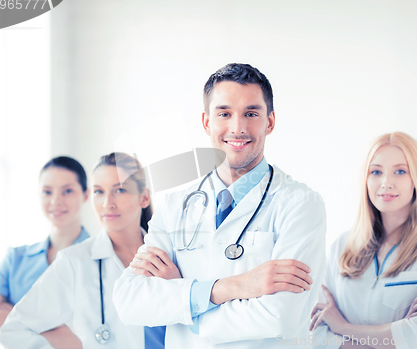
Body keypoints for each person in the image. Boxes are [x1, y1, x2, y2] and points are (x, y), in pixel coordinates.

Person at [113, 63, 327, 348]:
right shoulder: (175, 206)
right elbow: (130, 301)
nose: (237, 128)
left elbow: (281, 316)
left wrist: (186, 305)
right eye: (224, 113)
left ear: (270, 122)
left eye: (251, 114)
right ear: (206, 122)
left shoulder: (300, 205)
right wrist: (233, 287)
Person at [309, 132, 417, 349]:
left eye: (400, 171)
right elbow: (313, 331)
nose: (386, 182)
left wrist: (343, 327)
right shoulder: (342, 246)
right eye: (376, 172)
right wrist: (397, 334)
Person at [0, 153, 166, 349]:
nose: (107, 204)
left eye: (120, 190)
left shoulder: (168, 254)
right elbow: (13, 330)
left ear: (144, 197)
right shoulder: (74, 262)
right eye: (98, 192)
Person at [0, 156, 90, 347]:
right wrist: (58, 328)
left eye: (67, 191)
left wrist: (15, 319)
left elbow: (84, 340)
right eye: (47, 191)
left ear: (85, 195)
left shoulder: (99, 260)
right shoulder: (15, 258)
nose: (55, 201)